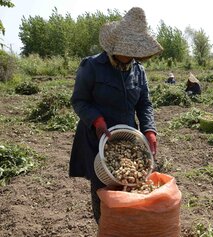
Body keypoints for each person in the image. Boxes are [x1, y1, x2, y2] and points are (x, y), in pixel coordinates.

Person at [69, 7, 163, 224]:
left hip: (128, 139)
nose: (132, 56)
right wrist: (96, 120)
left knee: (128, 186)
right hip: (97, 138)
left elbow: (144, 103)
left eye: (135, 52)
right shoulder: (92, 66)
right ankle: (104, 226)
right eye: (128, 51)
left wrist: (149, 130)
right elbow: (79, 100)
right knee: (102, 187)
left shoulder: (138, 71)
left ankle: (124, 227)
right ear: (114, 47)